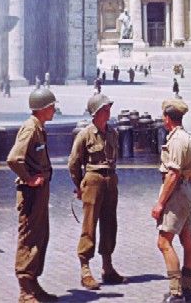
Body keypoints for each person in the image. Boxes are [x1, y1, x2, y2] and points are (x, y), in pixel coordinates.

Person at [68, 93, 126, 291]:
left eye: (109, 108)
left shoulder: (113, 133)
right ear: (95, 113)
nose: (108, 112)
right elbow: (74, 163)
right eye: (104, 109)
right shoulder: (85, 134)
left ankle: (107, 268)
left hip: (110, 180)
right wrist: (79, 185)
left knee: (110, 224)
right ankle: (85, 270)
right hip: (92, 181)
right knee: (89, 226)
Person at [7, 87, 58, 303]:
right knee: (29, 237)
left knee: (40, 236)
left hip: (39, 192)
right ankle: (25, 290)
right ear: (43, 109)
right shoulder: (30, 129)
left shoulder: (39, 127)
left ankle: (34, 284)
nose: (54, 110)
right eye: (52, 107)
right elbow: (13, 159)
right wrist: (28, 179)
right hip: (30, 193)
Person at [151, 98, 191, 302]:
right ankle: (186, 288)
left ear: (167, 118)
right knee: (187, 239)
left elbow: (173, 174)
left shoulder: (177, 140)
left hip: (176, 193)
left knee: (163, 242)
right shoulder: (188, 138)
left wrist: (160, 203)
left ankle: (176, 292)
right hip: (186, 191)